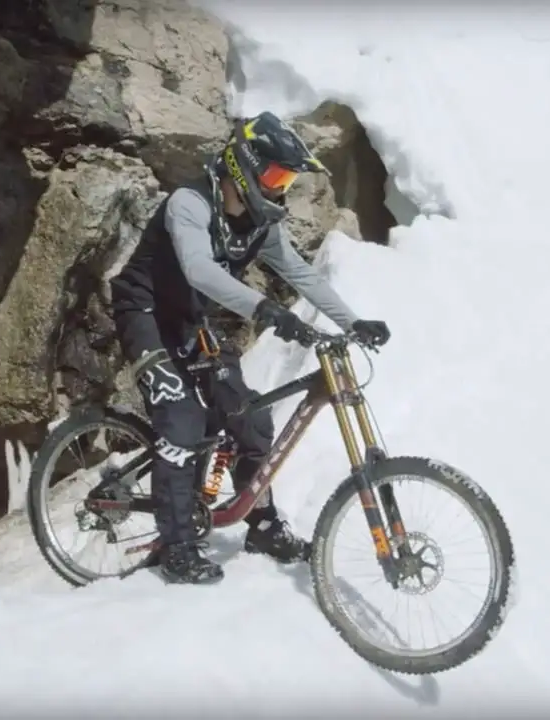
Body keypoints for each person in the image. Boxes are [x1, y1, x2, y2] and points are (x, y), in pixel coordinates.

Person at [107, 110, 392, 585]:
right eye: (276, 174)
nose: (281, 187)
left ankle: (259, 523)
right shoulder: (190, 204)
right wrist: (264, 310)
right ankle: (176, 546)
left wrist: (354, 322)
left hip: (191, 320)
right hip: (146, 313)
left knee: (249, 416)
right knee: (181, 419)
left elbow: (299, 273)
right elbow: (199, 270)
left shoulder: (261, 225)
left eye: (288, 178)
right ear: (243, 166)